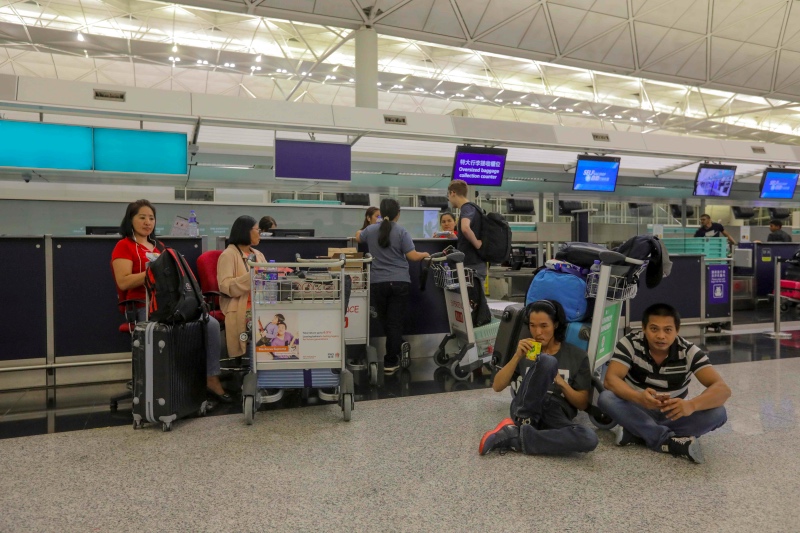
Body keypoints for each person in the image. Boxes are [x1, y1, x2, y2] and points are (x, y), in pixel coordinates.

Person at [111, 199, 229, 402]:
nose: (147, 222)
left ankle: (210, 377)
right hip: (143, 307)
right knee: (172, 330)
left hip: (170, 305)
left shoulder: (159, 247)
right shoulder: (124, 246)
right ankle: (172, 386)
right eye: (142, 217)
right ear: (131, 220)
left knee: (209, 323)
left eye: (151, 218)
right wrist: (153, 272)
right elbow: (123, 282)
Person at [599, 303, 731, 464]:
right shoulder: (630, 343)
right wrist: (638, 397)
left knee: (719, 413)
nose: (661, 336)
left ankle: (639, 433)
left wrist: (691, 405)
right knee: (606, 398)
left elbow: (722, 389)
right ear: (644, 328)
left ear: (677, 330)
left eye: (668, 330)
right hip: (638, 409)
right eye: (654, 329)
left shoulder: (689, 351)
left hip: (674, 414)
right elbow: (610, 380)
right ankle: (670, 442)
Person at [479, 300, 599, 456]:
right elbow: (497, 386)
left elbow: (582, 404)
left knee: (589, 438)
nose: (537, 332)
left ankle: (515, 436)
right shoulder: (525, 350)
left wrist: (562, 383)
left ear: (555, 325)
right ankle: (524, 425)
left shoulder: (577, 355)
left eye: (544, 326)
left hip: (556, 411)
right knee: (547, 361)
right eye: (532, 325)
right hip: (526, 406)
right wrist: (516, 356)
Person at [356, 198, 430, 374]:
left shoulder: (371, 230)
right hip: (399, 282)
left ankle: (396, 349)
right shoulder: (401, 231)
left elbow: (358, 236)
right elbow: (412, 256)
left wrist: (365, 227)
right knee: (394, 323)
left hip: (377, 283)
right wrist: (425, 254)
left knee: (385, 322)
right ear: (398, 214)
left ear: (381, 213)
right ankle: (391, 361)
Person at [218, 215, 267, 363]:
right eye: (257, 230)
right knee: (268, 323)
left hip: (262, 302)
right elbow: (225, 286)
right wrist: (252, 276)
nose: (260, 233)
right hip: (239, 305)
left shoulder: (258, 255)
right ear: (246, 231)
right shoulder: (228, 255)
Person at [447, 179, 485, 280]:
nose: (449, 199)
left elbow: (465, 228)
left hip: (472, 265)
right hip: (474, 264)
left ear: (453, 193)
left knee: (472, 295)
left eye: (448, 196)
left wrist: (477, 243)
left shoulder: (467, 208)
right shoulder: (474, 208)